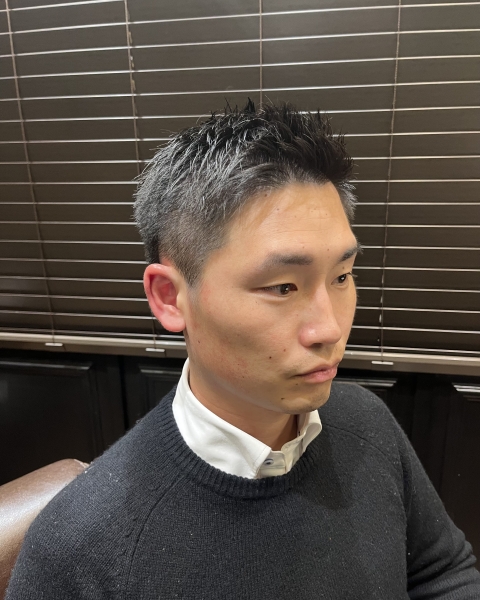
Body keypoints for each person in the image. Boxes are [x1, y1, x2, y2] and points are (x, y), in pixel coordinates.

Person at [6, 101, 480, 599]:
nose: (330, 328)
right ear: (169, 297)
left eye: (342, 276)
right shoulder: (79, 550)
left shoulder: (366, 423)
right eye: (282, 287)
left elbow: (442, 573)